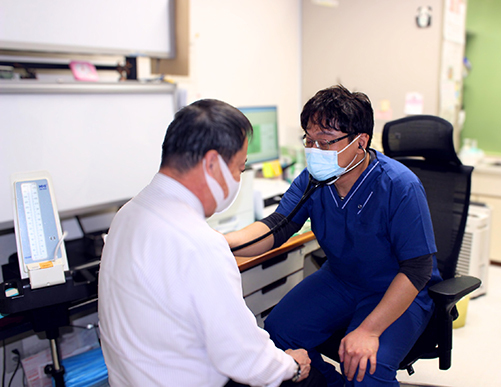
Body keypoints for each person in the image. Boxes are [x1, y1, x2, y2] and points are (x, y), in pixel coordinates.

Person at [98, 99, 326, 386]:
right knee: (310, 377)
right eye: (240, 170)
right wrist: (292, 366)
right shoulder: (197, 244)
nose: (238, 180)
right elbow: (245, 358)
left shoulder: (128, 214)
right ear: (211, 164)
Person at [226, 85, 443, 387]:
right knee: (278, 332)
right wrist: (225, 242)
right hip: (341, 279)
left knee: (366, 367)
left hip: (397, 289)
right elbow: (279, 226)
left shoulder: (399, 185)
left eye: (325, 142)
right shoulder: (314, 180)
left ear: (360, 142)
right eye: (309, 140)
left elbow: (417, 269)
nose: (314, 151)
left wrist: (368, 330)